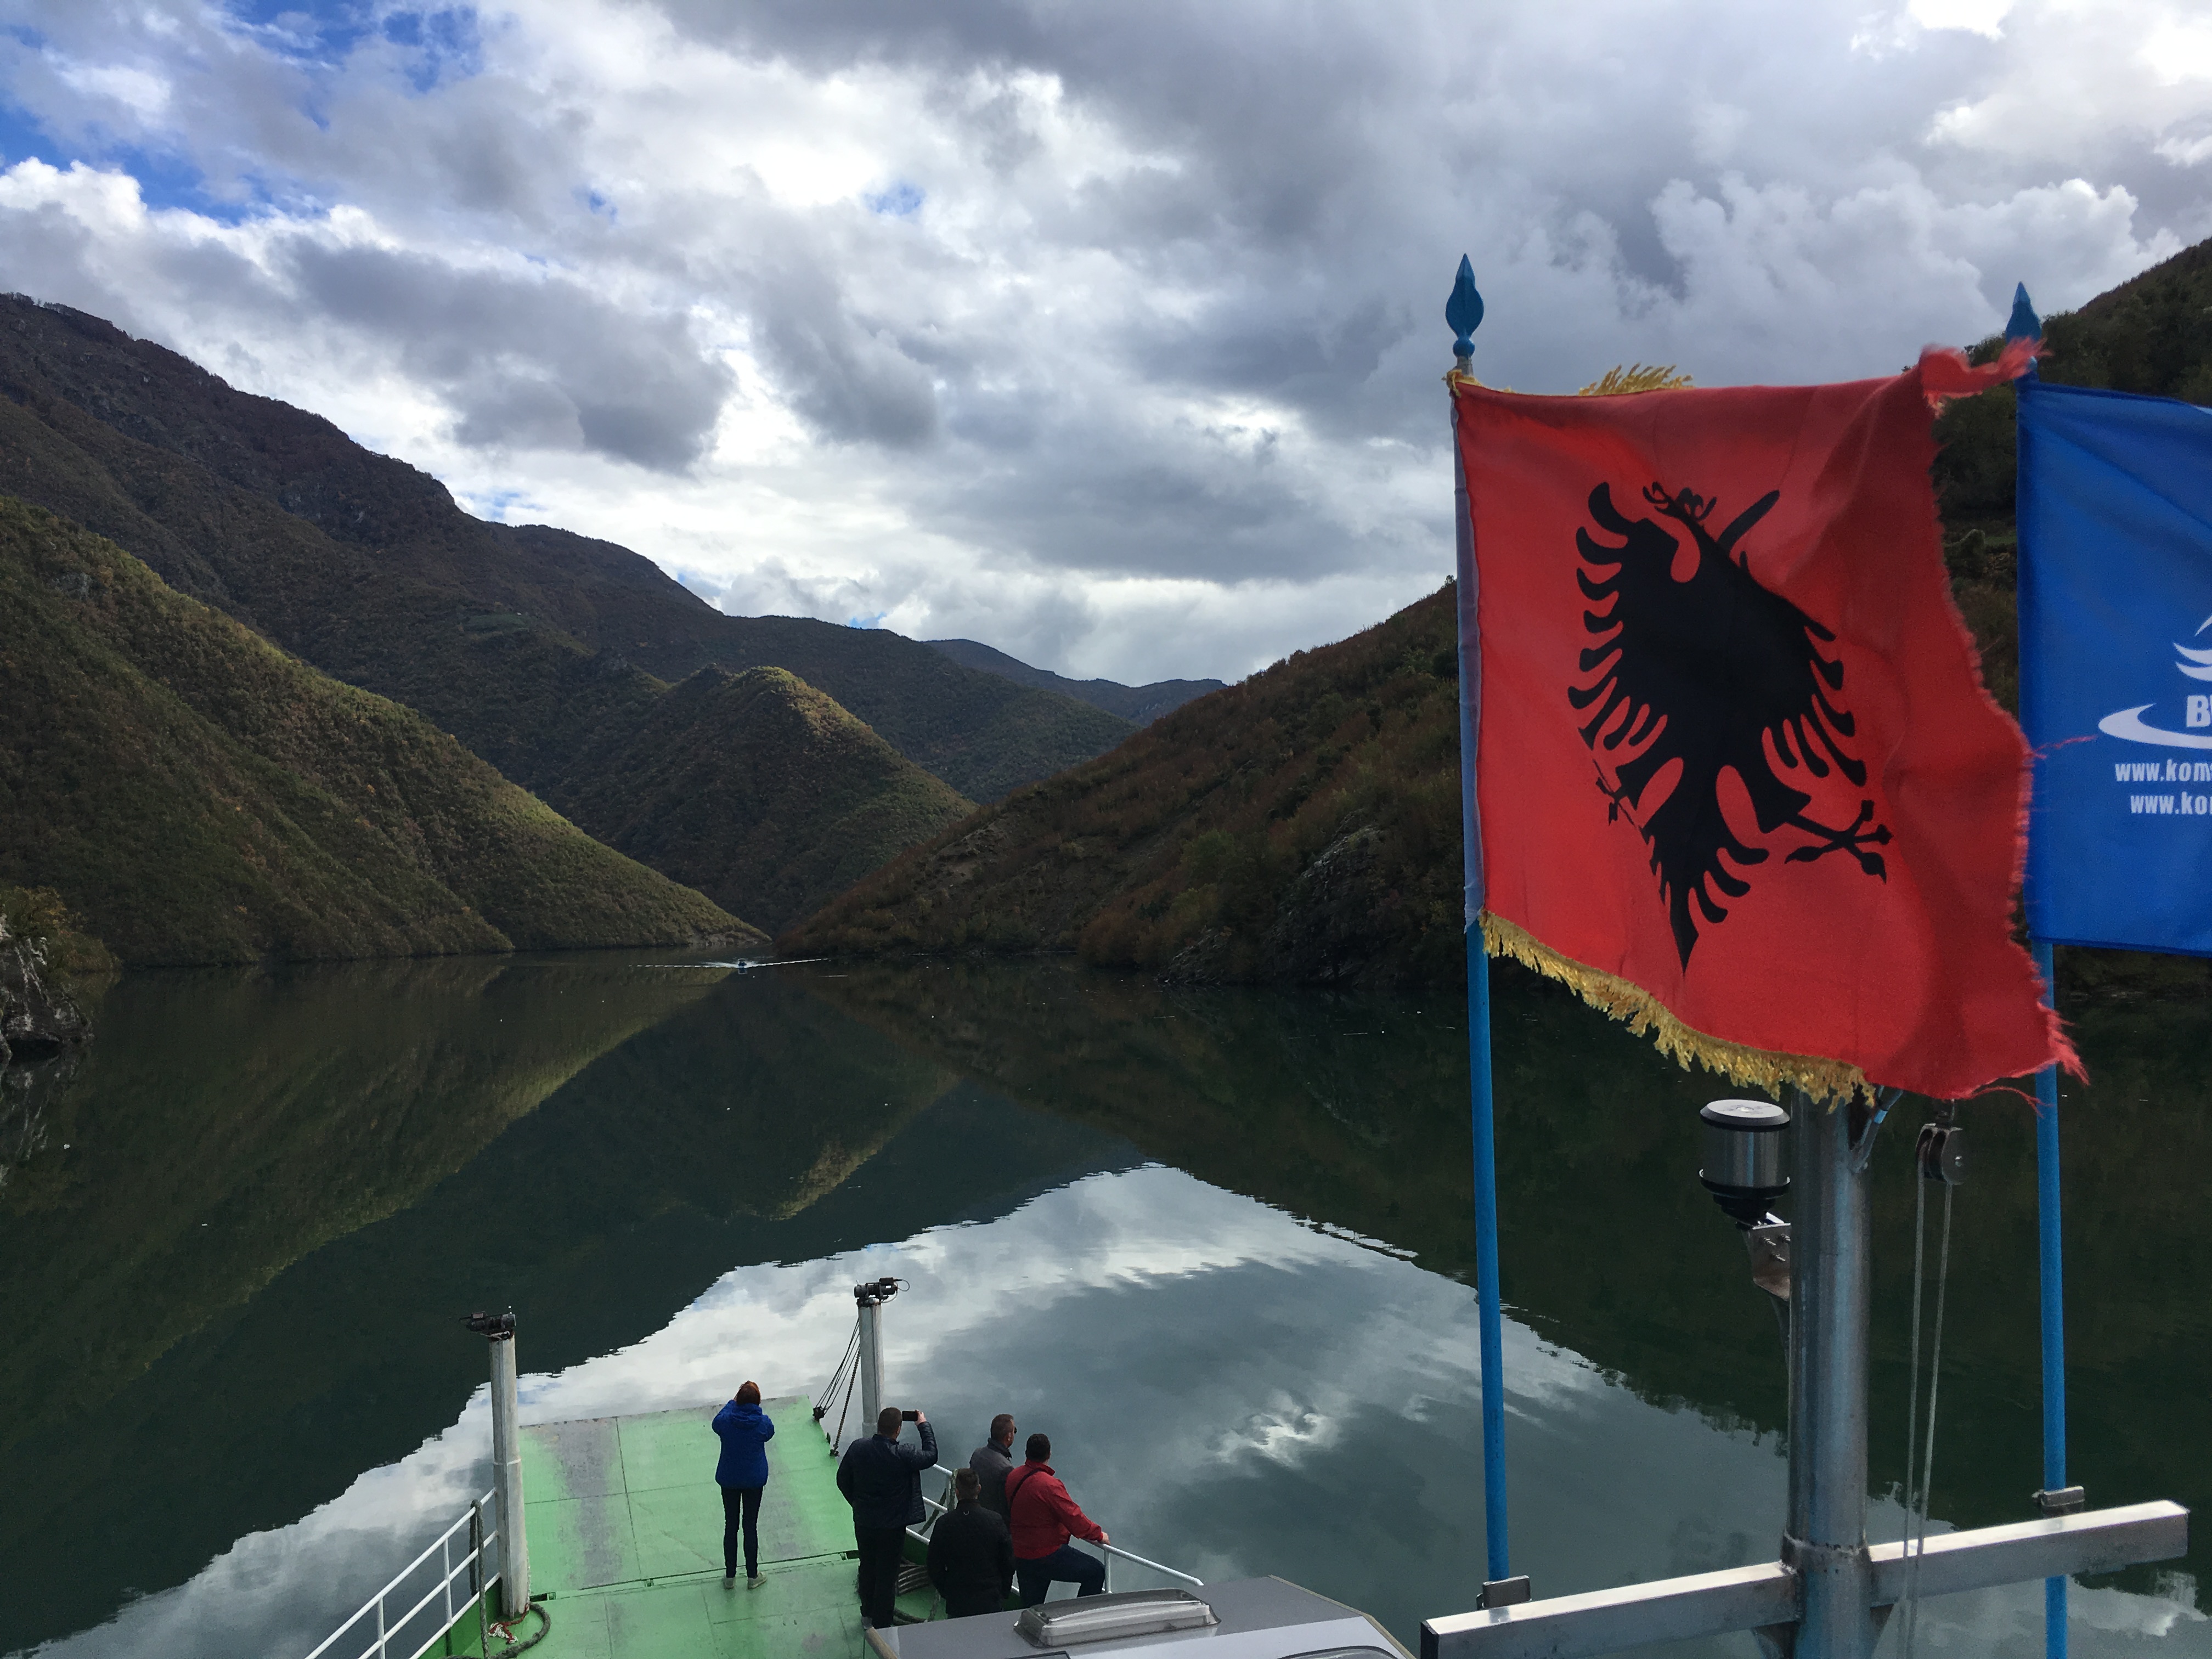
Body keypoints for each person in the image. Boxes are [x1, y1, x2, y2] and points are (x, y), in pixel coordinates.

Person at [836, 1405, 938, 1628]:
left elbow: (842, 1479)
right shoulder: (904, 1454)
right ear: (898, 1430)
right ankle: (882, 1624)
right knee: (887, 1575)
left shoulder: (858, 1448)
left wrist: (857, 1503)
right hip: (892, 1528)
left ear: (878, 1427)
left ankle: (867, 1615)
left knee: (867, 1567)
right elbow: (931, 1455)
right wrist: (923, 1426)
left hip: (864, 1522)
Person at [1006, 1432, 1108, 1606]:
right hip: (1046, 1555)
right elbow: (1073, 1516)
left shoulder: (1013, 1477)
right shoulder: (1049, 1485)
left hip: (1021, 1554)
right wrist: (1098, 1535)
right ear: (1049, 1454)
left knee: (1031, 1607)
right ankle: (1078, 1617)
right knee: (1096, 1572)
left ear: (1026, 1453)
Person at [926, 1466, 1014, 1618]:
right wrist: (1003, 1592)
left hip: (957, 1600)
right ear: (979, 1489)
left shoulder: (944, 1524)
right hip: (990, 1599)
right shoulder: (995, 1521)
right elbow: (1008, 1562)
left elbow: (934, 1565)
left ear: (957, 1492)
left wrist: (947, 1592)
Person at [711, 1381, 775, 1588]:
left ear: (738, 1399)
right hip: (754, 1482)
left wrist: (732, 1403)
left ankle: (730, 1577)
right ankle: (752, 1576)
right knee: (750, 1526)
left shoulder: (726, 1422)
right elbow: (770, 1432)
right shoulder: (763, 1423)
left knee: (731, 1526)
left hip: (729, 1480)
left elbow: (716, 1422)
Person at [968, 1413, 1018, 1522]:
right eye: (1014, 1431)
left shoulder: (977, 1454)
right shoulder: (1007, 1469)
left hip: (976, 1514)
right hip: (996, 1522)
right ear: (1009, 1436)